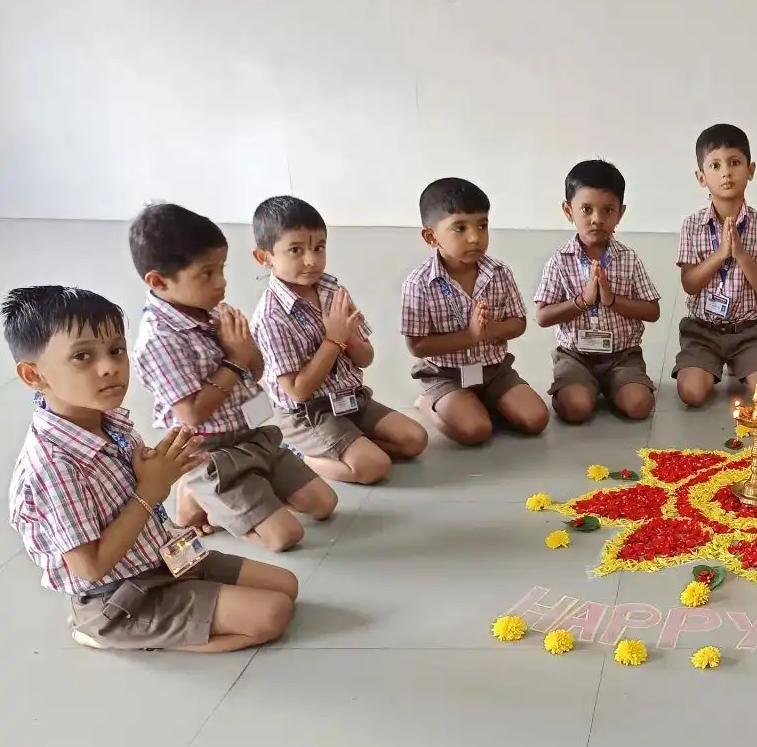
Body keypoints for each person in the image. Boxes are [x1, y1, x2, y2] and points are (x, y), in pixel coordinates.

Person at [4, 285, 298, 651]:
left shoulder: (108, 419)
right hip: (119, 594)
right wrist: (150, 491)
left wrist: (166, 470)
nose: (110, 367)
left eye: (116, 350)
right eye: (83, 356)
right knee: (272, 614)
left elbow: (144, 485)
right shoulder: (52, 466)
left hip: (164, 556)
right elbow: (90, 566)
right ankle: (104, 630)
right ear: (34, 375)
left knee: (286, 584)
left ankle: (183, 609)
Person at [130, 203, 337, 552]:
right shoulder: (158, 341)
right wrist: (236, 361)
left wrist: (246, 356)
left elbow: (257, 371)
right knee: (286, 537)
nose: (221, 283)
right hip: (212, 453)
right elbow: (192, 414)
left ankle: (239, 495)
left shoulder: (216, 310)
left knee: (324, 504)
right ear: (158, 281)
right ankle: (197, 491)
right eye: (207, 274)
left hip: (253, 435)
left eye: (221, 269)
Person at [250, 195, 427, 484]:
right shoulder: (271, 317)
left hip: (350, 399)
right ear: (264, 257)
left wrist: (349, 339)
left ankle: (351, 443)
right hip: (309, 414)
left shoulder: (333, 289)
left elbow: (365, 358)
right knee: (374, 467)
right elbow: (297, 391)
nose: (311, 260)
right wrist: (333, 341)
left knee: (415, 440)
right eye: (295, 250)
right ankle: (297, 454)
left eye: (319, 248)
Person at [402, 177, 548, 444]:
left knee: (536, 419)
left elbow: (518, 322)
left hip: (494, 370)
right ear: (431, 237)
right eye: (460, 228)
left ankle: (481, 401)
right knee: (476, 431)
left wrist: (493, 329)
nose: (475, 237)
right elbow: (417, 346)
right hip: (446, 374)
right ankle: (427, 403)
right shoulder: (418, 283)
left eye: (482, 226)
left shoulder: (499, 272)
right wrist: (470, 335)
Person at [534, 160, 661, 423]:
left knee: (639, 405)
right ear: (568, 211)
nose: (597, 219)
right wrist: (582, 301)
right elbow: (543, 317)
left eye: (608, 210)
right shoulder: (559, 261)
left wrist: (611, 299)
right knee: (575, 408)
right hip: (576, 356)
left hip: (623, 356)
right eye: (586, 209)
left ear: (620, 213)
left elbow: (652, 311)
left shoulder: (628, 258)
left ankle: (616, 385)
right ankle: (581, 386)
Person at [672, 124, 757, 407]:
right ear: (701, 177)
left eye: (735, 163)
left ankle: (741, 363)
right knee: (692, 394)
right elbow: (689, 283)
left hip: (748, 332)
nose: (726, 172)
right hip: (702, 330)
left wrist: (742, 254)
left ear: (751, 170)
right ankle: (710, 364)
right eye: (715, 165)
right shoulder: (692, 225)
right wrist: (721, 254)